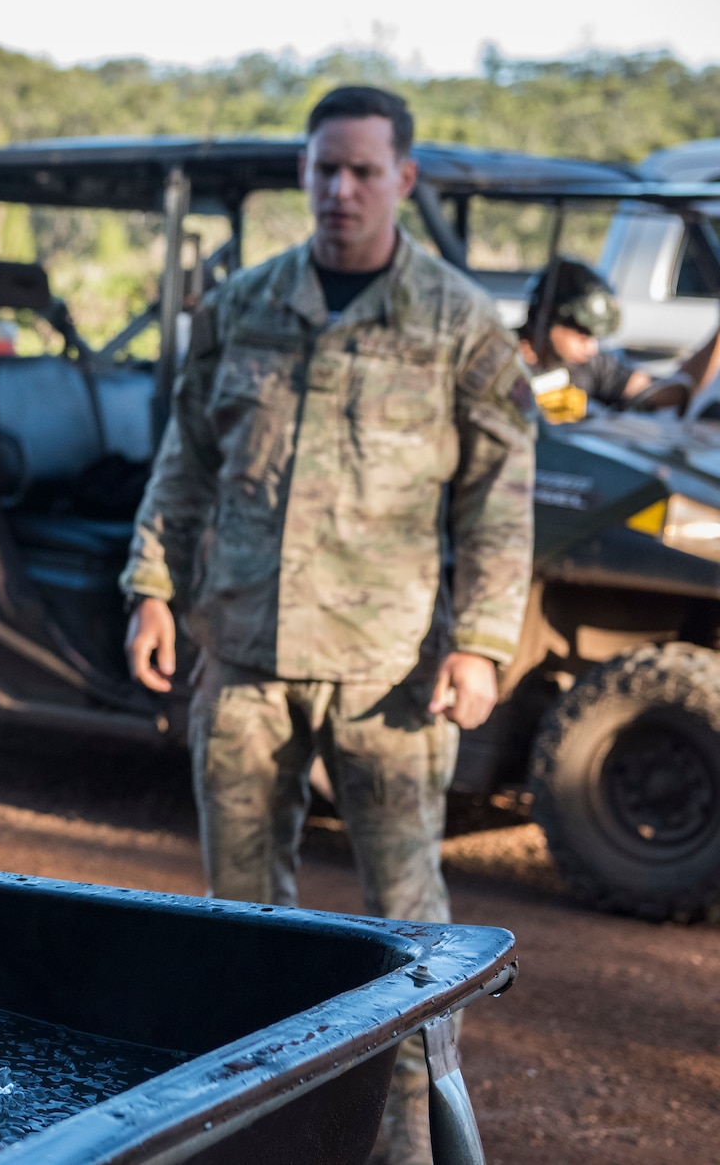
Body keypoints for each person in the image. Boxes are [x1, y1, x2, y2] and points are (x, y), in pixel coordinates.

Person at [119, 86, 535, 1165]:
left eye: (360, 170)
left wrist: (483, 641)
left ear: (402, 178)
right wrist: (153, 588)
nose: (338, 190)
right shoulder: (243, 306)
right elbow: (185, 462)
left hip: (387, 676)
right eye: (321, 171)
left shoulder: (457, 324)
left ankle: (409, 1150)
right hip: (245, 667)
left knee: (409, 943)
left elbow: (498, 491)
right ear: (303, 176)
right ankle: (262, 1142)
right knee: (240, 933)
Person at [517, 257, 651, 408]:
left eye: (595, 337)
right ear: (547, 317)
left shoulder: (588, 365)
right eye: (583, 334)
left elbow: (639, 386)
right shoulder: (501, 358)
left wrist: (680, 385)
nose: (591, 348)